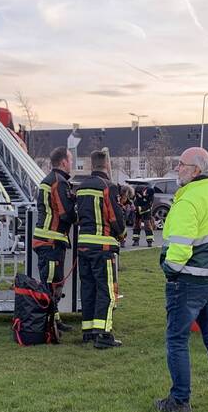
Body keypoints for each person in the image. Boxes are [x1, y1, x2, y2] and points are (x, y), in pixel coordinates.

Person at [154, 147, 208, 412]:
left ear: (195, 170)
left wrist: (169, 269)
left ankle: (180, 400)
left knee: (177, 340)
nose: (177, 168)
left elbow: (180, 247)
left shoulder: (188, 201)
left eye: (181, 164)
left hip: (189, 280)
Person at [75, 150, 125, 348]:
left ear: (91, 165)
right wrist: (121, 234)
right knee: (106, 291)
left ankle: (88, 331)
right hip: (102, 247)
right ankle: (103, 335)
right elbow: (115, 217)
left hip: (83, 246)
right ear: (106, 165)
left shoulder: (81, 187)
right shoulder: (108, 187)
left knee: (88, 289)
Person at [32, 147, 77, 332]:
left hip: (48, 241)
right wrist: (84, 217)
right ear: (64, 162)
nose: (72, 163)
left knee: (54, 282)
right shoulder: (59, 182)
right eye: (71, 160)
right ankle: (47, 324)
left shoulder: (49, 180)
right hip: (51, 242)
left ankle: (54, 321)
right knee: (51, 283)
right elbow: (65, 214)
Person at [131, 182, 156, 247]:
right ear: (145, 190)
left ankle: (149, 241)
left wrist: (139, 208)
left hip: (146, 210)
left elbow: (148, 206)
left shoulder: (151, 197)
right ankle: (136, 240)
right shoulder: (138, 189)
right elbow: (135, 199)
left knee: (147, 224)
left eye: (148, 195)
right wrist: (135, 207)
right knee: (136, 224)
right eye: (146, 194)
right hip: (138, 207)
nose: (146, 195)